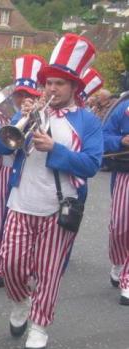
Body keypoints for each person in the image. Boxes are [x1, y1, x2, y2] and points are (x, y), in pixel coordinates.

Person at [0, 34, 102, 349]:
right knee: (10, 263)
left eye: (59, 84)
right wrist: (20, 119)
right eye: (49, 83)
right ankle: (20, 301)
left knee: (49, 270)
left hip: (58, 207)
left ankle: (39, 326)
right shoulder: (32, 111)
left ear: (74, 87)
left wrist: (55, 149)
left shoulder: (86, 121)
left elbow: (91, 164)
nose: (51, 89)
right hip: (20, 203)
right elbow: (3, 146)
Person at [0, 54, 45, 289]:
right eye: (19, 95)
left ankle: (29, 265)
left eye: (29, 95)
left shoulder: (42, 114)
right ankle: (1, 265)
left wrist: (34, 117)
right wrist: (20, 118)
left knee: (27, 222)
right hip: (1, 172)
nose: (23, 99)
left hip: (29, 173)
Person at [103, 75, 129, 304]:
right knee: (119, 226)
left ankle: (128, 280)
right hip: (124, 173)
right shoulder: (122, 107)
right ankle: (118, 259)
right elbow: (103, 137)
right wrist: (122, 141)